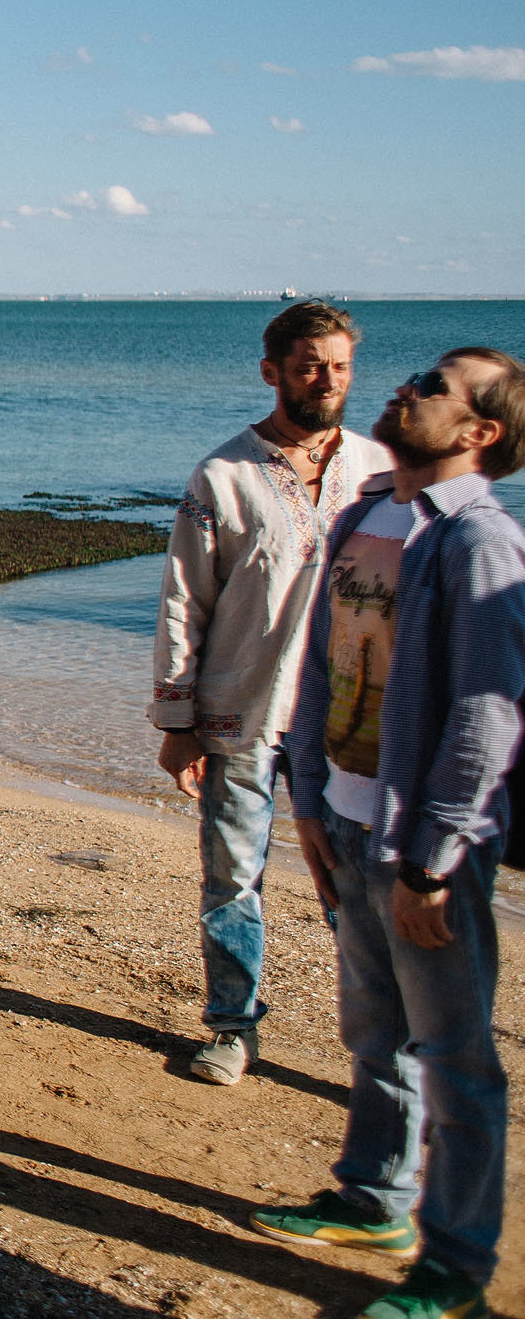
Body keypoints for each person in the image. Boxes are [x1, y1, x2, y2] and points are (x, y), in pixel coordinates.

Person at [252, 348, 525, 1319]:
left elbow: (486, 718)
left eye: (435, 387)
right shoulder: (369, 513)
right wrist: (310, 801)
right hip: (347, 817)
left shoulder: (480, 541)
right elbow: (322, 664)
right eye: (416, 375)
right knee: (375, 1029)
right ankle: (373, 1198)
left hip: (423, 846)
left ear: (481, 432)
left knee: (456, 1059)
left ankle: (455, 1268)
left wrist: (433, 863)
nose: (407, 388)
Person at [150, 301, 391, 1085]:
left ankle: (380, 1050)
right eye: (311, 366)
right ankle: (232, 1026)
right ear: (272, 372)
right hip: (241, 711)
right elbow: (185, 602)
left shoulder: (379, 471)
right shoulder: (223, 475)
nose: (328, 380)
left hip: (349, 724)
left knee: (354, 888)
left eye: (340, 366)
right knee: (232, 879)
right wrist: (177, 720)